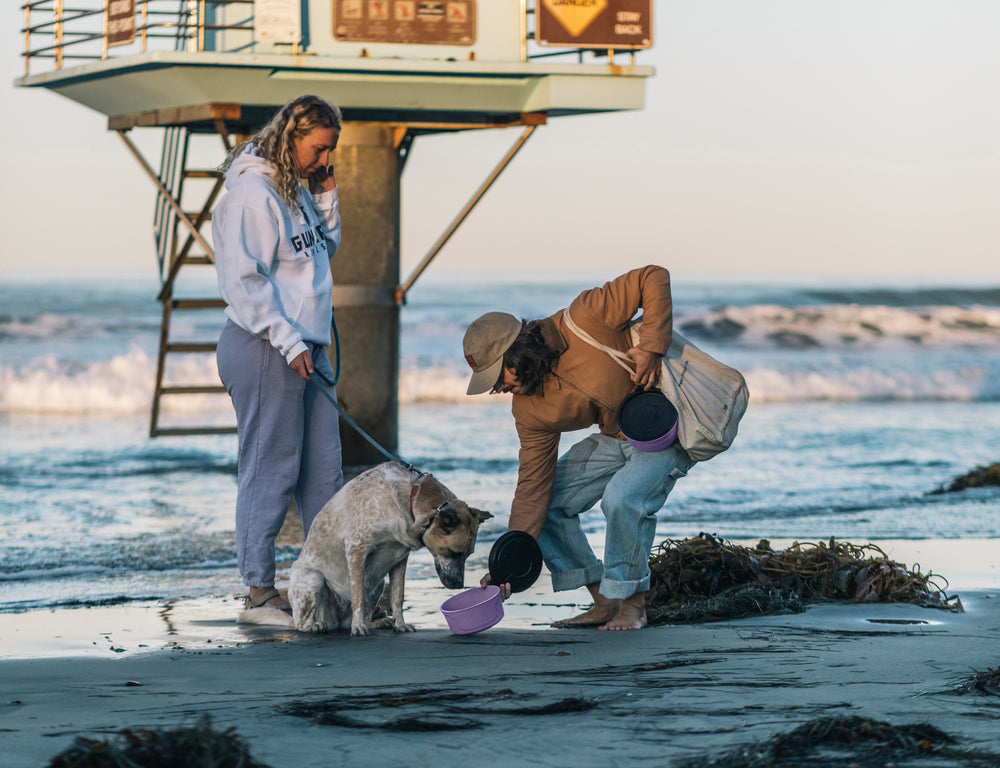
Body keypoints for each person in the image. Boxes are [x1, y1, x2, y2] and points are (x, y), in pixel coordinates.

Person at [463, 265, 693, 630]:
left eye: (498, 377)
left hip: (668, 428)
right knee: (552, 502)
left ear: (517, 352)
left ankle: (633, 606)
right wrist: (506, 565)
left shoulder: (586, 316)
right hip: (617, 438)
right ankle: (603, 600)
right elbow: (532, 487)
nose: (497, 389)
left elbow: (653, 276)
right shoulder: (528, 408)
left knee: (621, 498)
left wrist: (651, 346)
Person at [212, 95, 345, 615]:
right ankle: (259, 590)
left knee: (324, 473)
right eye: (318, 150)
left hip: (307, 343)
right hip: (267, 344)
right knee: (271, 468)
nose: (324, 161)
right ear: (292, 137)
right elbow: (244, 282)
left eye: (330, 152)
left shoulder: (295, 187)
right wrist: (289, 343)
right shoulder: (252, 192)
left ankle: (330, 582)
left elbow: (319, 250)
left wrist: (328, 194)